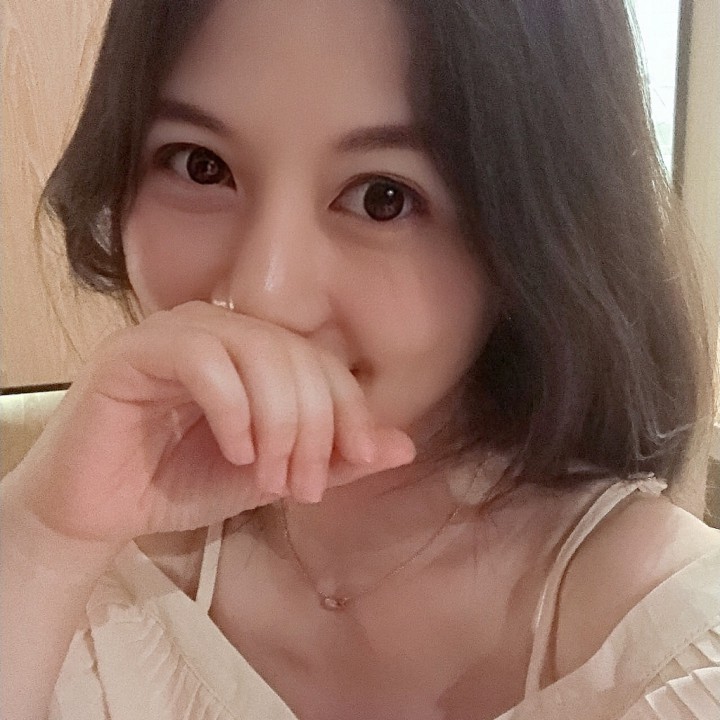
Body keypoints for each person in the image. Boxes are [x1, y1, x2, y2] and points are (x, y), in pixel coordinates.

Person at [2, 0, 719, 718]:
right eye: (201, 165)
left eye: (383, 198)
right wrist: (41, 538)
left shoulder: (672, 648)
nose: (265, 293)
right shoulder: (85, 553)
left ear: (536, 237)